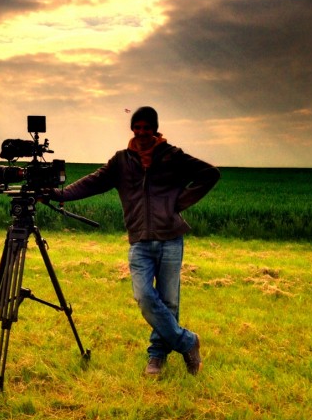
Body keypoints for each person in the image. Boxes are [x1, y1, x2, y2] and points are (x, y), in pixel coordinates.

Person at [50, 106, 220, 375]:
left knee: (169, 302)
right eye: (136, 127)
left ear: (155, 129)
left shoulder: (172, 156)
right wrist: (59, 194)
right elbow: (91, 183)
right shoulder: (121, 161)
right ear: (132, 129)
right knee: (144, 296)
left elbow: (210, 174)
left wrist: (178, 203)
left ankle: (156, 357)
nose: (141, 132)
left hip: (170, 239)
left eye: (146, 127)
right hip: (139, 241)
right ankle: (188, 342)